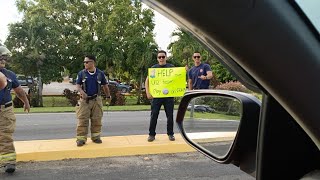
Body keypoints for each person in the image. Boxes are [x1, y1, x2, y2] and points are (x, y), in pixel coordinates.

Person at [0, 46, 30, 173]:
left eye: (3, 58)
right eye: (1, 58)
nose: (3, 60)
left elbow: (19, 91)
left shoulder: (9, 74)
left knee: (5, 136)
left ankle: (9, 162)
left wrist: (26, 102)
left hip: (5, 110)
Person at [75, 55, 111, 147]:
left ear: (93, 62)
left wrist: (108, 96)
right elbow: (78, 85)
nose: (85, 64)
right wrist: (82, 92)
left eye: (87, 62)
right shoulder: (81, 74)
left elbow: (105, 86)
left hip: (96, 99)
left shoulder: (100, 74)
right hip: (84, 101)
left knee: (97, 119)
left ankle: (96, 137)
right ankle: (81, 139)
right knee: (82, 119)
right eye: (84, 62)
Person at [145, 50, 175, 142]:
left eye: (163, 57)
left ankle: (170, 134)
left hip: (169, 96)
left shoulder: (171, 67)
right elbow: (147, 81)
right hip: (156, 96)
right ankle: (151, 134)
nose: (161, 58)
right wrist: (148, 93)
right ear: (157, 58)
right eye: (159, 57)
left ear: (166, 57)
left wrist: (184, 71)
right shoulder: (154, 68)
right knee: (154, 115)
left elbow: (178, 78)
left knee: (170, 116)